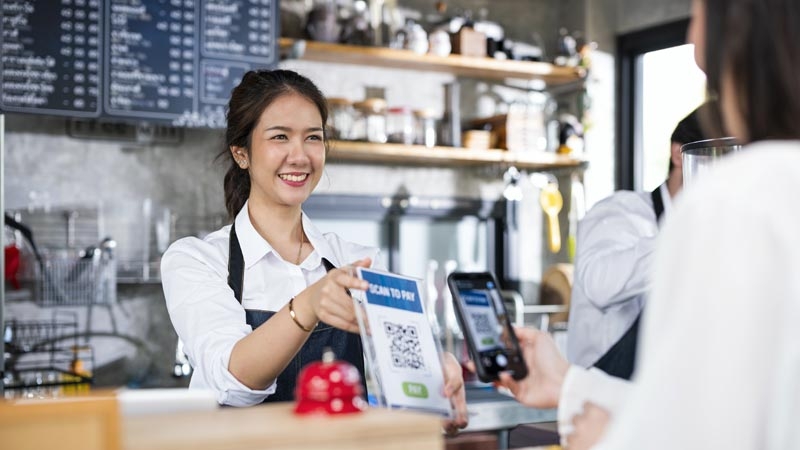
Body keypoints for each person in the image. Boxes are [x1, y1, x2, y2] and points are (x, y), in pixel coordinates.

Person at [496, 0, 800, 448]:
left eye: (698, 15)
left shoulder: (734, 202)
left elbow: (707, 431)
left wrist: (607, 436)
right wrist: (569, 388)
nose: (694, 40)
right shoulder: (624, 212)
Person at [161, 69, 468, 432]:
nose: (300, 156)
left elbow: (403, 375)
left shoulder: (357, 260)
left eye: (313, 138)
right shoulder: (196, 260)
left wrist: (437, 381)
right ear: (241, 153)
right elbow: (232, 383)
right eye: (280, 137)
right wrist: (309, 304)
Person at [567, 106, 708, 378]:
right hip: (599, 408)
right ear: (679, 153)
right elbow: (599, 284)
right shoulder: (621, 213)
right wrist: (689, 236)